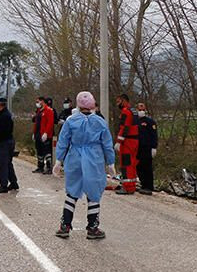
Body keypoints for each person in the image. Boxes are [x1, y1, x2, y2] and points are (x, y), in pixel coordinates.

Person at [52, 91, 115, 240]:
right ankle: (92, 228)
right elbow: (107, 144)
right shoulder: (100, 122)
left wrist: (58, 161)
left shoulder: (70, 121)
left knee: (72, 191)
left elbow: (63, 142)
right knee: (94, 192)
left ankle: (65, 226)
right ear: (92, 104)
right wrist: (110, 162)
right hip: (94, 159)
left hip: (75, 158)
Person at [0, 97, 18, 193]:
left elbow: (3, 131)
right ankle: (14, 183)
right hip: (8, 141)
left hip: (4, 143)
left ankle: (3, 186)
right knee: (8, 163)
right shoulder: (5, 114)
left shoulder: (4, 116)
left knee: (3, 164)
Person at [114, 94, 139, 195]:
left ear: (123, 101)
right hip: (135, 141)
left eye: (118, 101)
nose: (117, 104)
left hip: (127, 142)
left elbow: (125, 127)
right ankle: (132, 186)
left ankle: (127, 187)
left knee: (126, 164)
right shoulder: (133, 111)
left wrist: (119, 141)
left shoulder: (125, 112)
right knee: (132, 164)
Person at [136, 103, 158, 195]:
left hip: (147, 148)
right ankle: (143, 184)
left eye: (142, 109)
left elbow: (154, 135)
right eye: (139, 109)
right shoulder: (136, 121)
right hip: (138, 148)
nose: (141, 111)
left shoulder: (150, 122)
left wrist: (154, 147)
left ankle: (149, 187)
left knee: (147, 168)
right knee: (139, 167)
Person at [32, 96, 55, 174]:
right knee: (39, 151)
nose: (37, 103)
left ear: (42, 101)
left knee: (47, 151)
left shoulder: (49, 110)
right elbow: (36, 123)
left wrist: (46, 133)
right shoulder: (39, 111)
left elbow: (50, 123)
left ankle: (49, 168)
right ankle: (40, 167)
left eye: (38, 101)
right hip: (38, 134)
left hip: (45, 135)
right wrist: (34, 133)